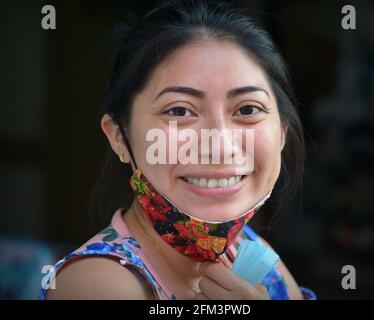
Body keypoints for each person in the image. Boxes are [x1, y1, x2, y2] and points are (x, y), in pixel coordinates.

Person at [40, 0, 316, 300]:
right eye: (180, 111)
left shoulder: (256, 254)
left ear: (282, 133)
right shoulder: (95, 285)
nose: (219, 147)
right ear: (119, 136)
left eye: (248, 108)